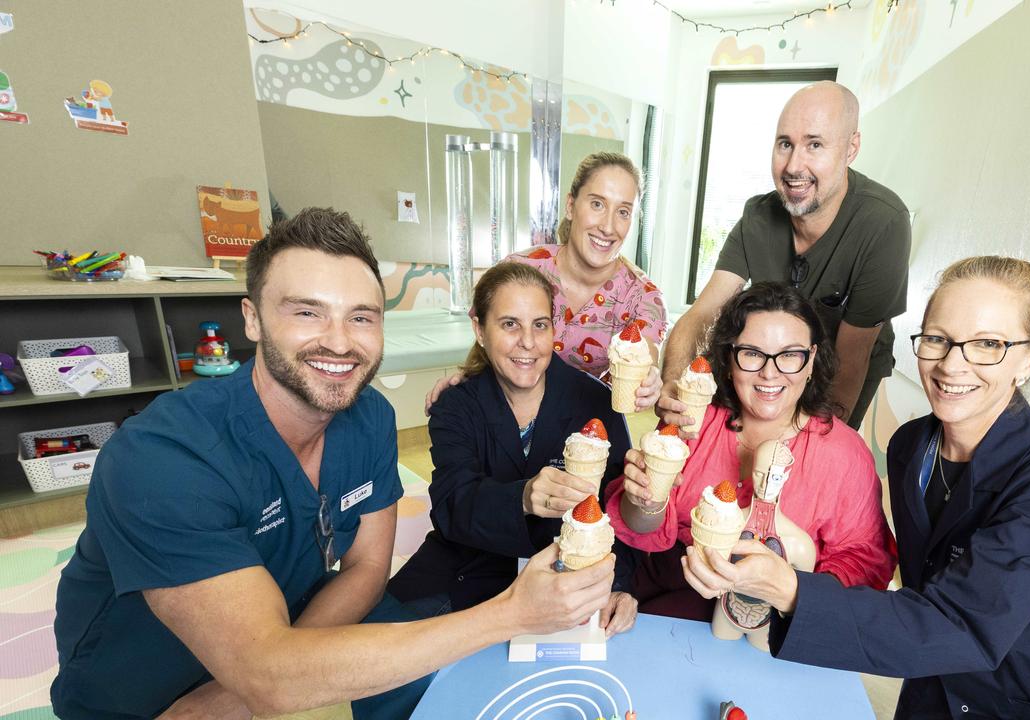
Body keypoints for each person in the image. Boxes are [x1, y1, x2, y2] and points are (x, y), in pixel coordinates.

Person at [51, 208, 615, 720]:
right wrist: (511, 614)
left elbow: (367, 570)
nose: (339, 343)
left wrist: (270, 677)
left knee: (456, 694)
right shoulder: (164, 459)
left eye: (362, 318)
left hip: (283, 654)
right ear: (252, 319)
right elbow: (270, 677)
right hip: (145, 699)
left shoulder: (367, 416)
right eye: (307, 312)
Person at [681, 257, 1030, 719]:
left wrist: (791, 589)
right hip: (943, 692)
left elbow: (961, 625)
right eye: (938, 339)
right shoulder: (911, 447)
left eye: (989, 344)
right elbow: (924, 600)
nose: (952, 364)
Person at [605, 282, 896, 621]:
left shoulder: (845, 454)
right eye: (753, 354)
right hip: (669, 601)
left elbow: (864, 561)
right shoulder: (690, 423)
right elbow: (639, 527)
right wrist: (645, 503)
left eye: (789, 355)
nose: (769, 372)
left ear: (812, 360)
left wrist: (788, 593)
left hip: (778, 623)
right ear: (729, 359)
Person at [389, 263, 639, 635]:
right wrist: (521, 497)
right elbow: (451, 507)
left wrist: (620, 586)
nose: (527, 341)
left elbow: (619, 508)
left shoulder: (596, 404)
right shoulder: (456, 405)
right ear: (480, 330)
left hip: (567, 581)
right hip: (467, 570)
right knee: (387, 650)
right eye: (509, 324)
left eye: (539, 324)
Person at [659, 81, 910, 432]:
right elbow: (702, 312)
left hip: (844, 363)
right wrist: (672, 379)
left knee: (813, 457)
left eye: (815, 145)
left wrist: (811, 447)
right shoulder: (757, 217)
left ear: (851, 148)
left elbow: (851, 360)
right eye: (785, 144)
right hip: (771, 356)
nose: (794, 165)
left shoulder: (883, 223)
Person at [426, 152, 666, 414]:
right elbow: (487, 341)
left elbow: (646, 360)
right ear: (571, 206)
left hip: (588, 430)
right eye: (597, 204)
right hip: (506, 417)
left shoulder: (643, 298)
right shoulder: (520, 270)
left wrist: (650, 381)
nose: (608, 227)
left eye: (623, 211)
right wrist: (463, 382)